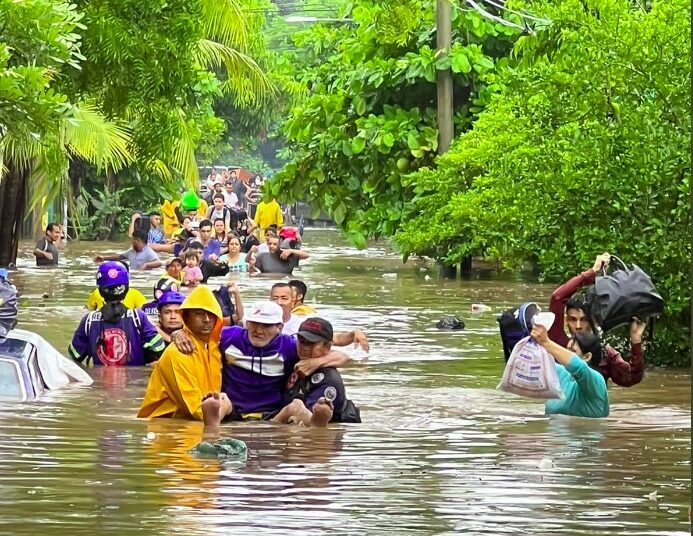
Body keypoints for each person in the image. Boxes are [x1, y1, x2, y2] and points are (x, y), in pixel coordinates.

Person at [172, 301, 350, 428]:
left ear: (279, 328)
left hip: (272, 413)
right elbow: (199, 335)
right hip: (233, 408)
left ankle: (315, 422)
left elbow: (343, 356)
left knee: (294, 407)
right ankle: (211, 429)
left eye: (266, 326)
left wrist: (317, 361)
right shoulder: (229, 336)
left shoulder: (289, 346)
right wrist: (178, 333)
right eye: (254, 324)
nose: (258, 330)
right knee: (220, 400)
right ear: (246, 323)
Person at [548, 253, 647, 387]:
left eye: (583, 320)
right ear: (565, 320)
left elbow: (631, 378)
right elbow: (557, 298)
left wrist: (636, 340)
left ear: (593, 320)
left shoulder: (604, 353)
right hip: (563, 406)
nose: (578, 325)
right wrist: (592, 272)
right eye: (572, 319)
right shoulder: (559, 343)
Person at [138, 286, 226, 420]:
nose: (207, 319)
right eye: (199, 313)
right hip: (167, 430)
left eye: (211, 314)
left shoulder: (217, 349)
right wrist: (228, 410)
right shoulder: (178, 352)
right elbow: (197, 411)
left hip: (201, 420)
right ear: (186, 317)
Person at [69, 262, 165, 366]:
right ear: (126, 288)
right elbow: (158, 349)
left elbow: (75, 355)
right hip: (134, 380)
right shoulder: (138, 317)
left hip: (100, 381)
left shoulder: (89, 320)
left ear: (100, 291)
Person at [274, 317, 361, 426]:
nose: (304, 348)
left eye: (311, 343)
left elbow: (309, 423)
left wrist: (269, 426)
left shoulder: (328, 379)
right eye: (302, 341)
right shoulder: (294, 359)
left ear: (327, 347)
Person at [531, 324, 609, 418]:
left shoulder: (597, 380)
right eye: (567, 350)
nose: (566, 354)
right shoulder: (561, 372)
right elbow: (535, 363)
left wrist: (546, 342)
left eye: (572, 351)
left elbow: (578, 366)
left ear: (587, 357)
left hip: (585, 432)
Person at [94, 230, 161, 271]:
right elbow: (119, 257)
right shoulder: (132, 251)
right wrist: (104, 258)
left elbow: (158, 263)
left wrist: (146, 265)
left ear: (138, 241)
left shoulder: (148, 252)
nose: (131, 241)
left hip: (142, 278)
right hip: (133, 275)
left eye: (133, 239)